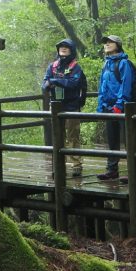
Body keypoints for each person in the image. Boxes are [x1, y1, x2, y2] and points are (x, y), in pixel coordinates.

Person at [42, 38, 86, 177]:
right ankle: (58, 165)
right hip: (56, 105)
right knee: (57, 135)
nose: (63, 48)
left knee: (73, 136)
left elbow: (73, 83)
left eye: (66, 47)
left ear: (71, 50)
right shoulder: (53, 66)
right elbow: (44, 85)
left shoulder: (75, 67)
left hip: (72, 105)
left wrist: (54, 81)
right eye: (61, 47)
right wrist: (52, 83)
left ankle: (76, 165)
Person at [95, 35, 134, 181]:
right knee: (112, 140)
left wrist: (119, 105)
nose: (106, 44)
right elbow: (102, 87)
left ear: (118, 44)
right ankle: (112, 170)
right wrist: (101, 106)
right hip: (108, 107)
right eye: (105, 42)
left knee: (128, 140)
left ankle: (133, 172)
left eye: (110, 42)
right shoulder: (106, 64)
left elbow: (126, 85)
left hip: (122, 108)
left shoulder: (124, 63)